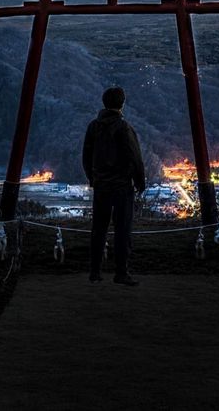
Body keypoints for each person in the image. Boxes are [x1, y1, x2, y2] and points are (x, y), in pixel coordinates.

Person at [82, 85, 145, 286]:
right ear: (122, 104)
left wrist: (93, 178)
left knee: (98, 228)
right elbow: (135, 157)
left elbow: (86, 156)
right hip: (121, 186)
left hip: (101, 185)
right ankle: (121, 272)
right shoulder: (124, 127)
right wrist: (140, 181)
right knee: (122, 229)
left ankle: (94, 271)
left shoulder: (93, 126)